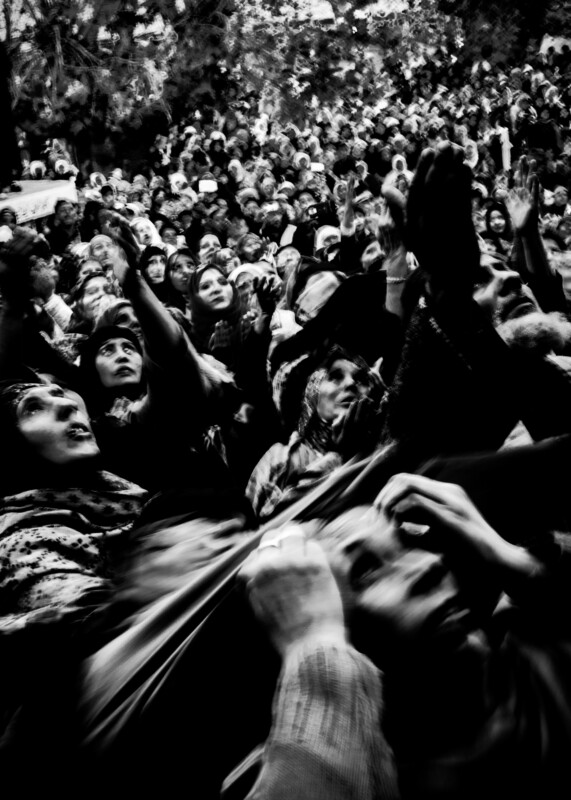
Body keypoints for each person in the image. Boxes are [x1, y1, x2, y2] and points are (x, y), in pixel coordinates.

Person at [238, 467, 571, 799]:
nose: (430, 565)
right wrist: (315, 651)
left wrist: (514, 559)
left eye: (411, 543)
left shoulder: (526, 627)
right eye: (366, 569)